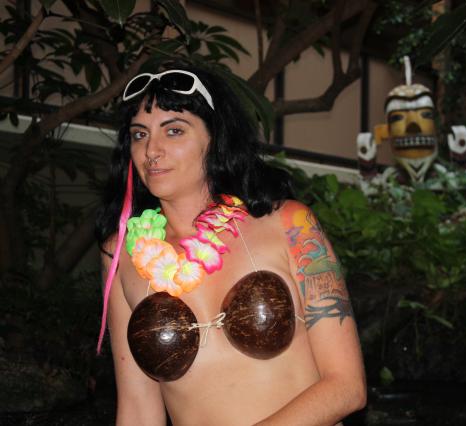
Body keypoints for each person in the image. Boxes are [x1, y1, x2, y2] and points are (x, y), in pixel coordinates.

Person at [95, 65, 366, 425]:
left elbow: (346, 386)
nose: (151, 150)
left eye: (174, 130)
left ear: (215, 137)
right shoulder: (121, 254)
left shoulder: (290, 224)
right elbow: (138, 409)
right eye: (139, 134)